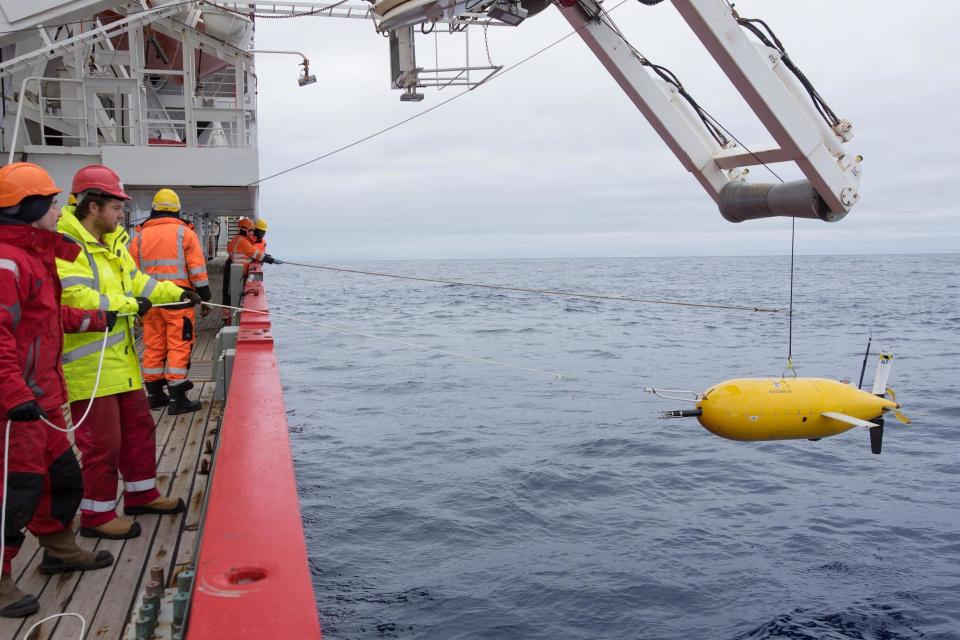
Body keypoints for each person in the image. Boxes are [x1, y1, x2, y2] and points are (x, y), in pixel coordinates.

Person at [0, 163, 115, 618]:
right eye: (49, 203)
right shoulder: (7, 261)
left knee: (62, 476)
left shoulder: (33, 255)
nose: (57, 209)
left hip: (42, 397)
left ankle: (59, 548)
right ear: (27, 208)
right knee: (15, 491)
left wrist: (96, 319)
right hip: (16, 404)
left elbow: (43, 319)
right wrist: (13, 395)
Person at [57, 165, 196, 540]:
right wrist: (132, 304)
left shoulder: (114, 242)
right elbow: (76, 299)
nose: (122, 215)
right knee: (102, 444)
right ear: (94, 206)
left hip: (121, 362)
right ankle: (97, 517)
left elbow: (141, 282)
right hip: (89, 366)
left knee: (138, 430)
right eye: (117, 207)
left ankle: (141, 494)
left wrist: (176, 294)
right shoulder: (67, 245)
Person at [129, 189, 210, 413]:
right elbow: (197, 268)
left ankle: (155, 395)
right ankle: (178, 398)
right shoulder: (185, 233)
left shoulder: (140, 236)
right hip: (179, 300)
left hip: (150, 302)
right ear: (177, 210)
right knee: (178, 346)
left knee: (153, 346)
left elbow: (132, 272)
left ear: (154, 209)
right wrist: (205, 296)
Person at [222, 217, 278, 310]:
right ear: (248, 230)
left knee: (230, 292)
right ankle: (229, 316)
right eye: (251, 230)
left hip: (235, 269)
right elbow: (255, 253)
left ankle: (228, 315)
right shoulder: (243, 241)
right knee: (231, 293)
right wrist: (270, 260)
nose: (252, 232)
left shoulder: (239, 239)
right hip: (235, 270)